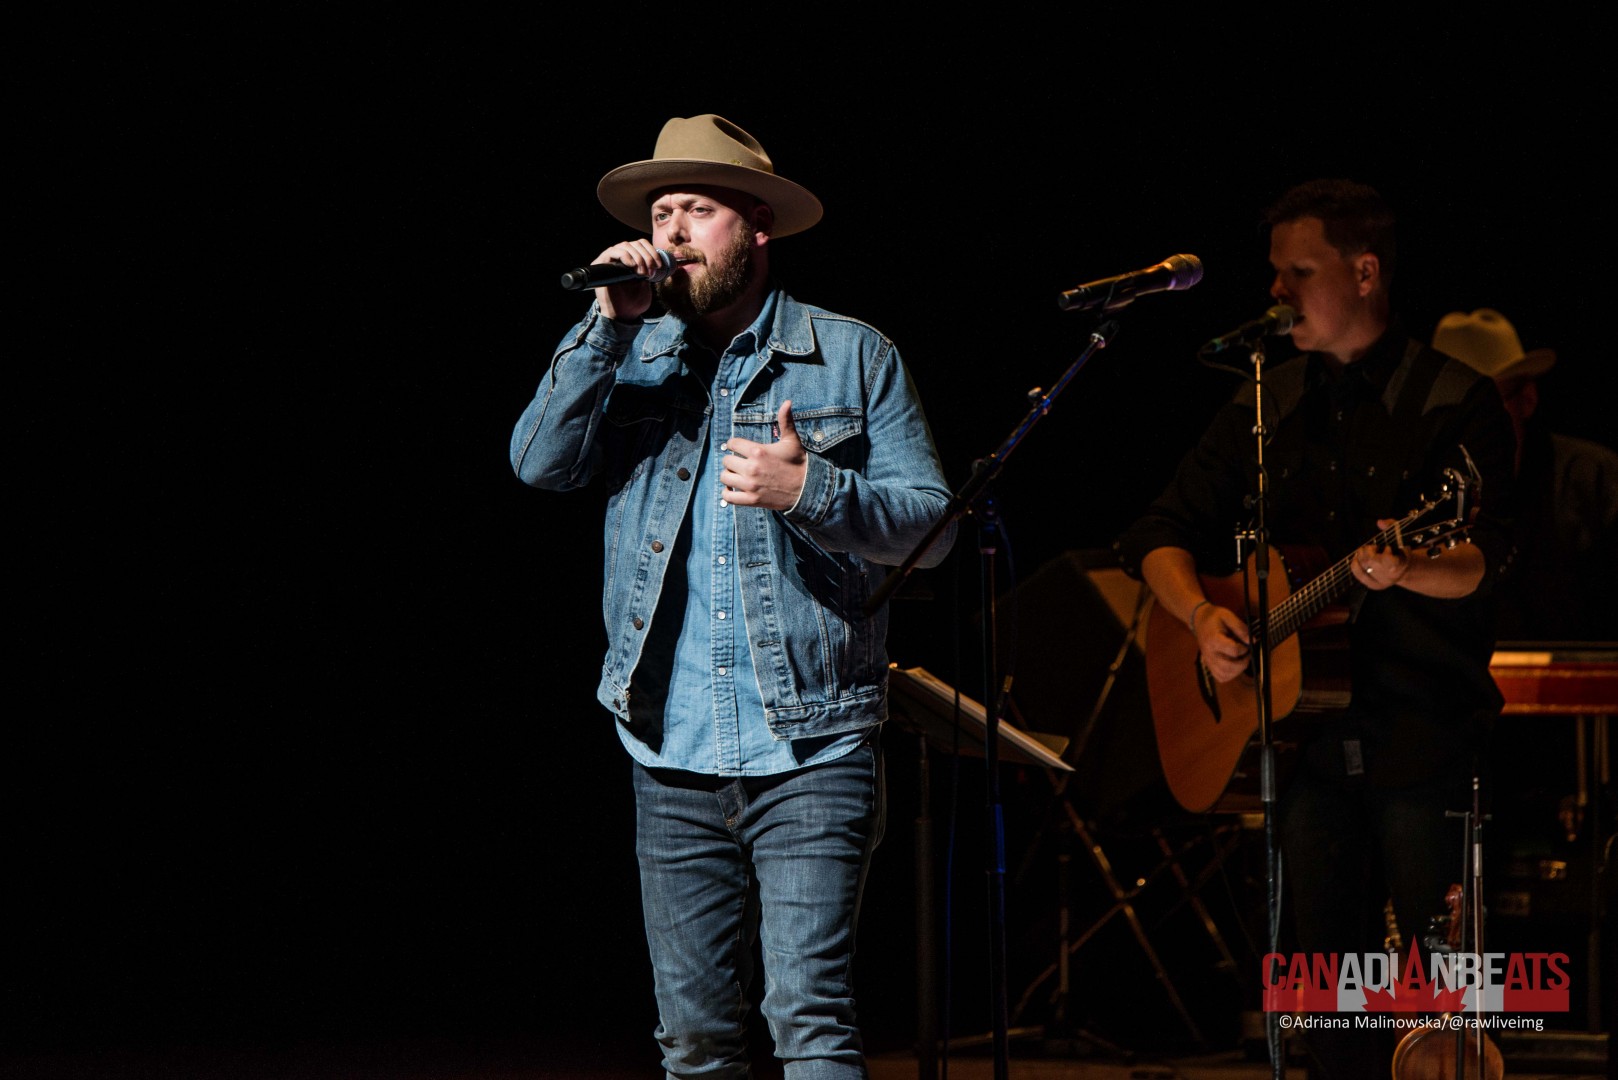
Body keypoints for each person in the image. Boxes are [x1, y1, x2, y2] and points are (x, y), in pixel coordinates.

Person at [510, 114, 954, 1078]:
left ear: (756, 227)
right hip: (668, 749)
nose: (669, 232)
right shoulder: (625, 354)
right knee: (698, 1039)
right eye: (660, 211)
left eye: (695, 209)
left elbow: (937, 526)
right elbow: (538, 465)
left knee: (809, 1018)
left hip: (812, 743)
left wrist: (814, 492)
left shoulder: (851, 354)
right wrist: (604, 327)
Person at [1116, 180, 1516, 1077]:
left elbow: (1491, 554)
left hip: (1423, 740)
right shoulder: (1269, 398)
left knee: (1435, 1009)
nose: (1277, 293)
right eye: (1274, 273)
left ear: (1365, 272)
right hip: (1303, 757)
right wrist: (1201, 612)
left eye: (1299, 272)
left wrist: (1410, 564)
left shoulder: (1457, 399)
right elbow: (1155, 531)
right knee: (1330, 1017)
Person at [1432, 308, 1617, 641]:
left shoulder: (1594, 478)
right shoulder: (1421, 491)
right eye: (1448, 414)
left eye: (1483, 408)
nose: (1466, 429)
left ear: (1527, 399)